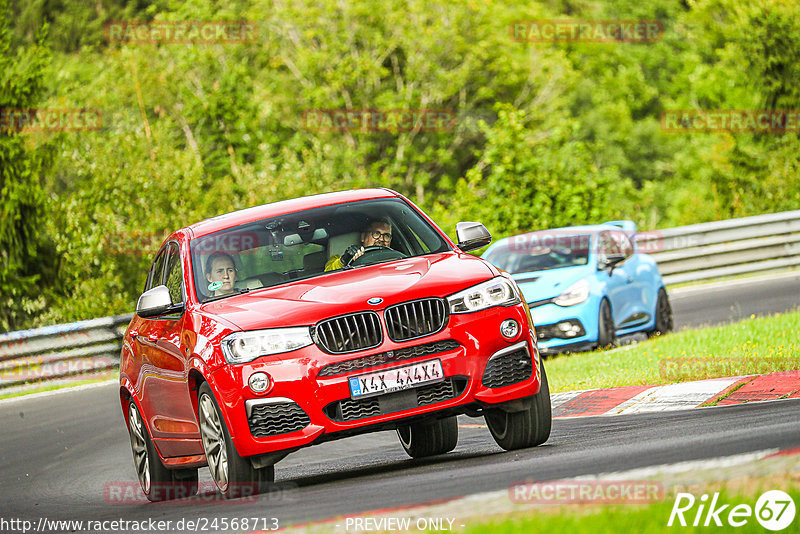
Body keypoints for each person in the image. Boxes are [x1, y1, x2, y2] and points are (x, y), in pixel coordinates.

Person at [325, 218, 393, 271]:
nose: (381, 239)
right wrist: (345, 259)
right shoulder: (341, 258)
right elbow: (328, 273)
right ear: (363, 237)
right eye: (376, 233)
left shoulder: (396, 258)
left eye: (386, 235)